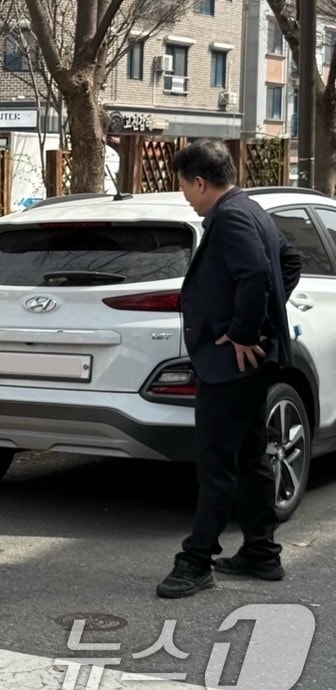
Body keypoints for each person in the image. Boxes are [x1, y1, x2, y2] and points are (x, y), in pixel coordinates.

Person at [157, 139, 302, 599]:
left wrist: (243, 332)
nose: (185, 196)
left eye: (184, 186)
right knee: (249, 456)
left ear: (200, 182)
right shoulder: (251, 208)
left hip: (231, 364)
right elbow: (288, 262)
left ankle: (196, 561)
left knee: (216, 462)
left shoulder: (232, 217)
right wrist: (262, 322)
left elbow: (257, 274)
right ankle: (261, 552)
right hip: (249, 363)